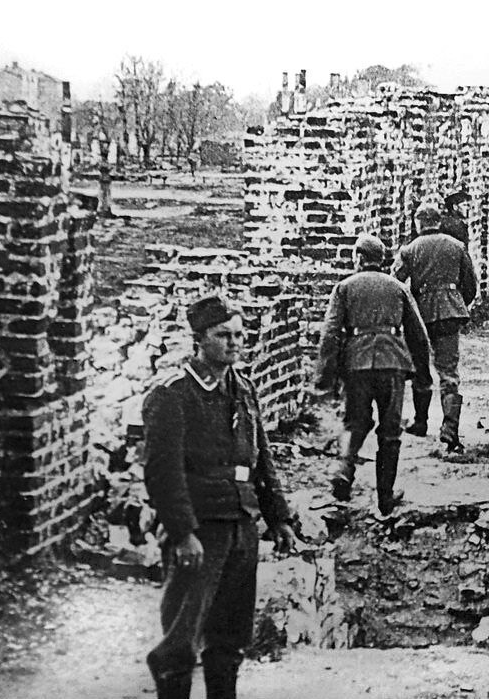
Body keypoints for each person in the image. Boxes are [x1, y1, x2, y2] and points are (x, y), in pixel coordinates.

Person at [143, 295, 297, 699]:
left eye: (239, 335)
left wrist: (278, 518)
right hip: (201, 529)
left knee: (229, 640)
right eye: (222, 335)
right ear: (199, 340)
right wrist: (182, 534)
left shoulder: (243, 387)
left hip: (242, 526)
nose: (234, 343)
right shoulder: (173, 395)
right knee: (182, 639)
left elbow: (261, 457)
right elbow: (162, 473)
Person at [316, 233, 431, 515]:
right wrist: (422, 374)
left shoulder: (344, 287)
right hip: (393, 363)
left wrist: (326, 377)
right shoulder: (398, 288)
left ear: (358, 258)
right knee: (390, 432)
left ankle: (342, 471)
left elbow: (330, 334)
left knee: (355, 421)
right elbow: (418, 334)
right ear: (381, 260)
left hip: (356, 363)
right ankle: (385, 497)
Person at [393, 202, 478, 452]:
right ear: (439, 222)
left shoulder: (410, 250)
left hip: (420, 316)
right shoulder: (457, 246)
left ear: (418, 224)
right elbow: (470, 286)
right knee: (449, 372)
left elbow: (395, 281)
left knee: (420, 368)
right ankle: (450, 431)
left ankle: (421, 422)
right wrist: (456, 302)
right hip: (450, 313)